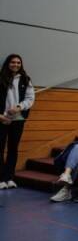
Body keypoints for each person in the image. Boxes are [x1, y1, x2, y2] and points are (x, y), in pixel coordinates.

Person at [0, 54, 34, 190]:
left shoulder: (26, 79)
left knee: (13, 148)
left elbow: (30, 98)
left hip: (18, 119)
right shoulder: (1, 78)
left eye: (18, 62)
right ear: (8, 63)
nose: (15, 64)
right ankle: (1, 179)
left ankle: (9, 178)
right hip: (2, 119)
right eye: (13, 62)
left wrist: (19, 107)